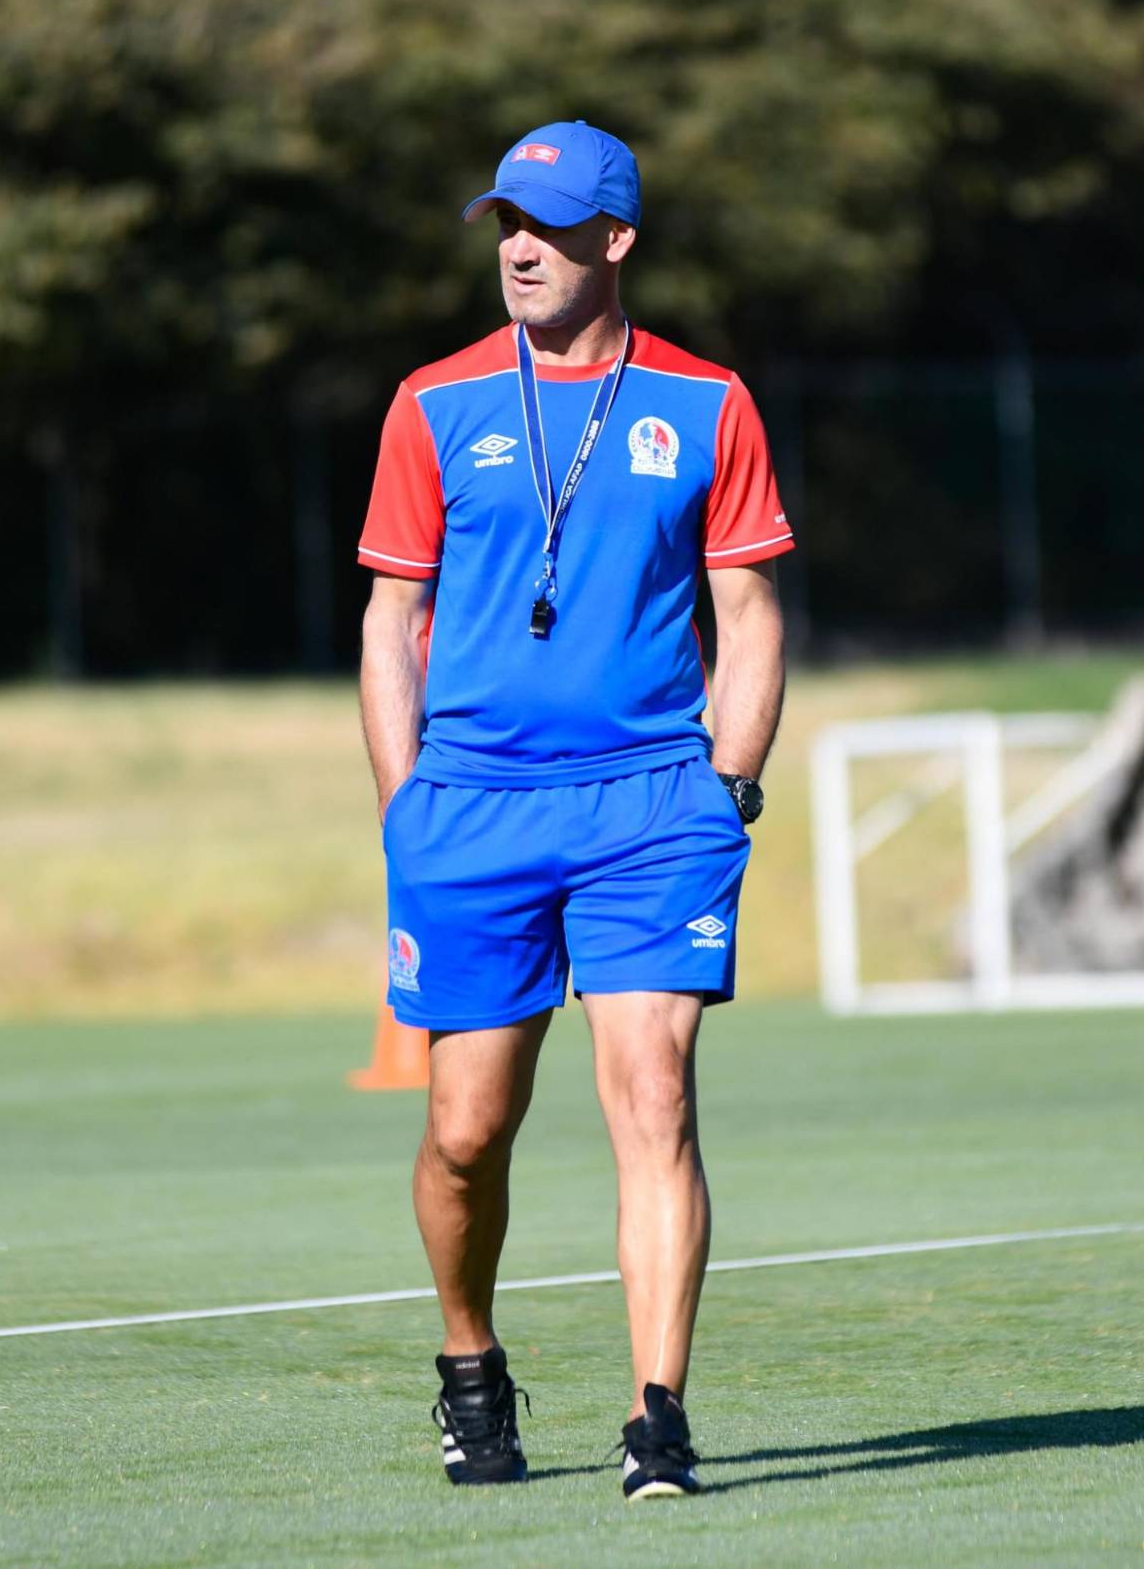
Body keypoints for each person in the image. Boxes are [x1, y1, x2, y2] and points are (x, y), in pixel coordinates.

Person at [357, 120, 792, 1500]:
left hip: (654, 803)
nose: (519, 250)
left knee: (654, 1095)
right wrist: (404, 803)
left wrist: (729, 780)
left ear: (618, 241)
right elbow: (390, 617)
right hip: (473, 811)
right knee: (465, 1129)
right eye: (505, 225)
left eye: (546, 226)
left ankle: (656, 1416)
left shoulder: (709, 402)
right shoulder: (432, 402)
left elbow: (749, 605)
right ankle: (469, 1361)